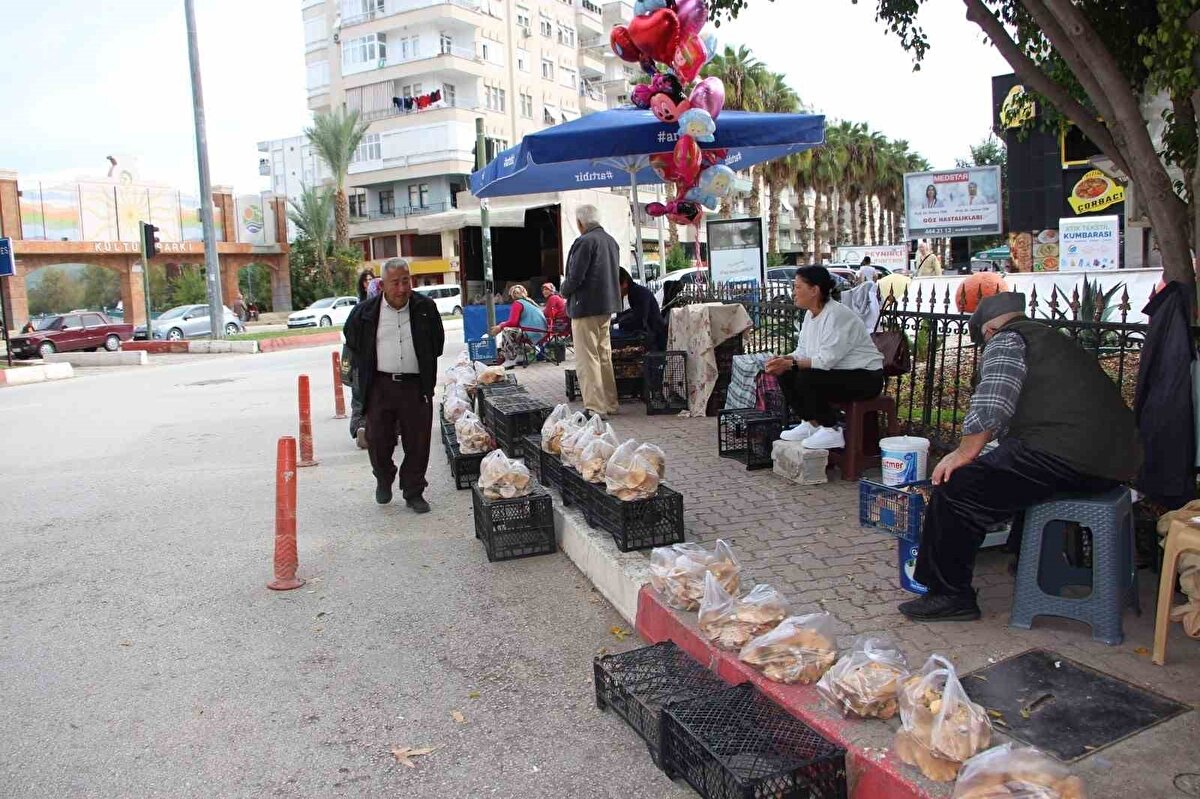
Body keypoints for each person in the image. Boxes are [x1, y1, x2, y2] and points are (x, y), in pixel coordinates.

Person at [898, 293, 1140, 622]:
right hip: (1112, 465)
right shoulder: (1051, 337)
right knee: (1009, 467)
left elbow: (992, 403)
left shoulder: (1007, 339)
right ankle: (1026, 560)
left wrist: (964, 452)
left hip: (1068, 456)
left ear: (988, 330)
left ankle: (950, 595)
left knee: (957, 488)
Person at [343, 258, 446, 510]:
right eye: (395, 283)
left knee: (418, 441)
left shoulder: (425, 308)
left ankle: (413, 491)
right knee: (377, 440)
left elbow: (437, 344)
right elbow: (352, 343)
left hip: (415, 386)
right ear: (382, 285)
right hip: (379, 385)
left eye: (406, 281)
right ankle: (383, 476)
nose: (402, 289)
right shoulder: (365, 313)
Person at [763, 266, 885, 451]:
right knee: (785, 373)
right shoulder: (810, 314)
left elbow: (826, 361)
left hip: (866, 377)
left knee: (806, 377)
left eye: (797, 287)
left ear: (814, 290)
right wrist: (783, 359)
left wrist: (791, 363)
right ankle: (811, 423)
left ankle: (831, 430)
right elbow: (803, 351)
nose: (793, 292)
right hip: (839, 373)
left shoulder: (836, 315)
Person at [560, 204, 621, 418]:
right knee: (604, 355)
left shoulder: (584, 242)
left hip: (585, 307)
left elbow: (575, 277)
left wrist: (563, 290)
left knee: (588, 359)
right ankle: (610, 402)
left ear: (580, 223)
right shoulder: (611, 241)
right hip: (607, 306)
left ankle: (595, 406)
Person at [489, 284, 547, 368]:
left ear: (512, 295)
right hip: (541, 332)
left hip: (532, 332)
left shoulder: (517, 303)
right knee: (512, 330)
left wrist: (500, 326)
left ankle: (510, 359)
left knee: (507, 330)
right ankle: (522, 354)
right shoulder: (529, 302)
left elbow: (513, 322)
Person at [612, 267, 667, 351]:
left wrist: (618, 324)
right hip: (652, 335)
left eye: (616, 287)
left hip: (655, 339)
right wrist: (616, 320)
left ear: (625, 283)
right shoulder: (634, 292)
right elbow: (633, 313)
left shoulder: (637, 292)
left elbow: (640, 318)